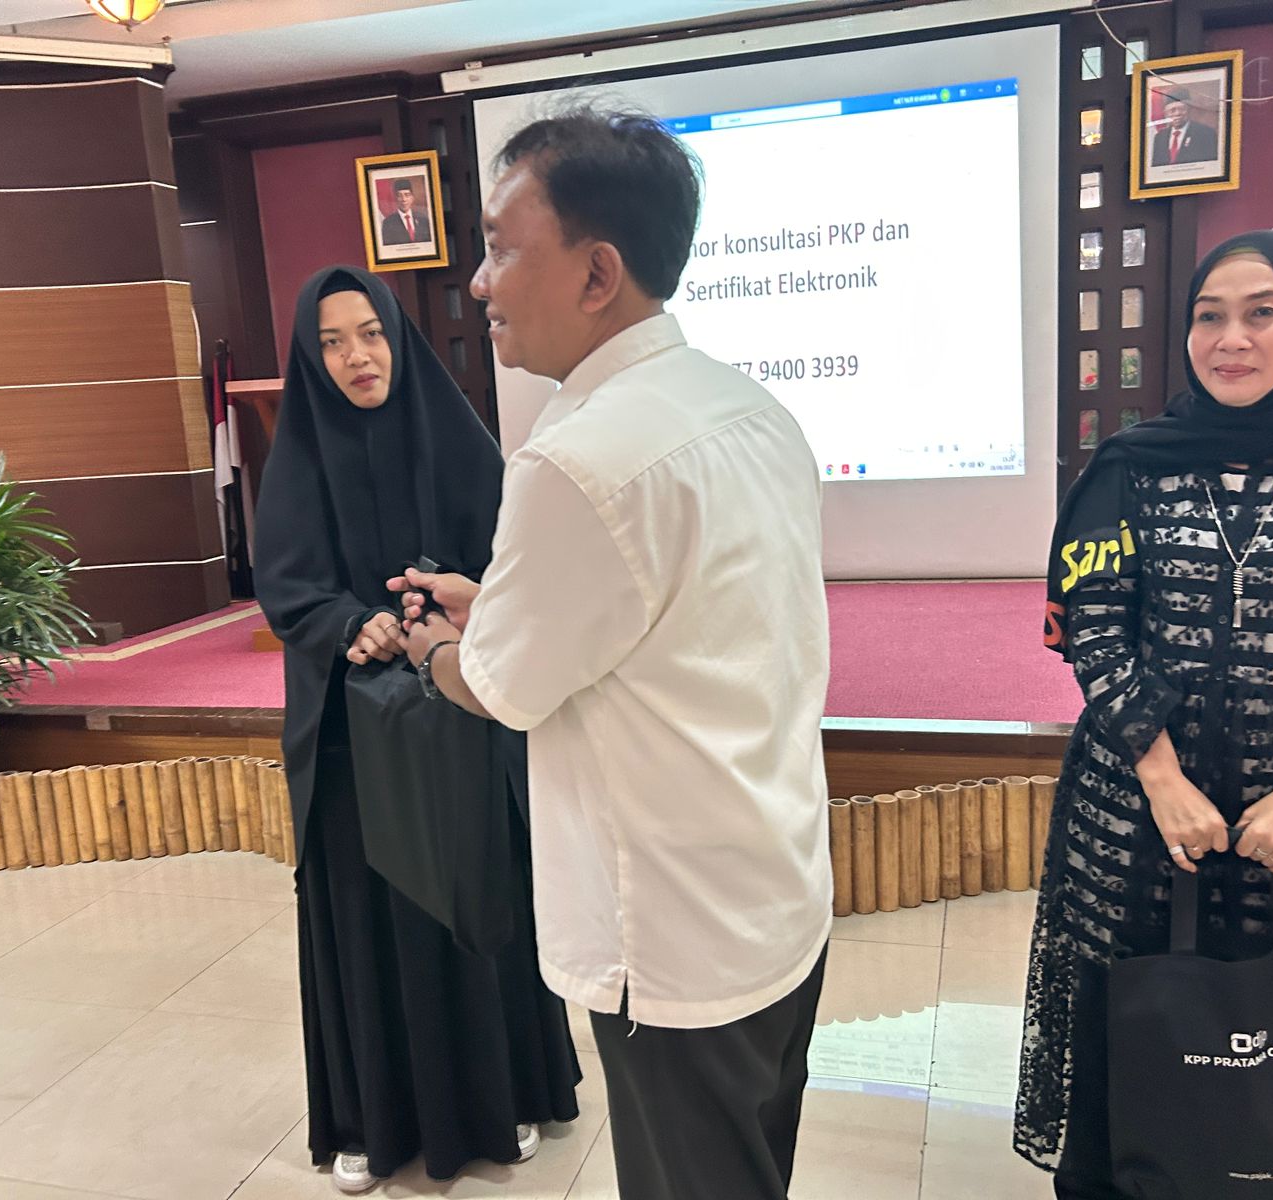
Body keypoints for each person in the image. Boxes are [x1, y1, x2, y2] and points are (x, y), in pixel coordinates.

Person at [394, 107, 833, 1200]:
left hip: (670, 930)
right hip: (775, 889)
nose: (479, 283)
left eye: (500, 247)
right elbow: (672, 620)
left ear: (598, 273)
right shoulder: (748, 405)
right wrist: (507, 604)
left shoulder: (577, 458)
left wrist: (436, 645)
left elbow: (500, 688)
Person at [1021, 230, 1273, 1198]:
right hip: (1135, 820)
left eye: (1261, 313)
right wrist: (1160, 780)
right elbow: (1095, 626)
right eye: (1209, 317)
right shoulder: (1132, 464)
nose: (1230, 339)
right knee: (1133, 1036)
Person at [253, 264, 580, 1194]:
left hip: (459, 716)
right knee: (369, 914)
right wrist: (349, 623)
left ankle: (503, 1096)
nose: (357, 356)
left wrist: (445, 605)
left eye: (370, 334)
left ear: (397, 337)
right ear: (312, 361)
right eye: (331, 343)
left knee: (469, 894)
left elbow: (512, 561)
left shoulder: (458, 441)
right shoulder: (300, 458)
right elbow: (288, 585)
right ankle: (372, 1119)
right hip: (351, 735)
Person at [1149, 91, 1217, 165]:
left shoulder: (1205, 133)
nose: (1177, 113)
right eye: (1172, 110)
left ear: (1188, 110)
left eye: (1182, 109)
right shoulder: (1160, 137)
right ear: (1166, 114)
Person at [381, 177, 432, 244]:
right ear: (395, 199)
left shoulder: (423, 219)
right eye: (400, 196)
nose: (404, 199)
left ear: (412, 198)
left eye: (407, 195)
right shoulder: (388, 223)